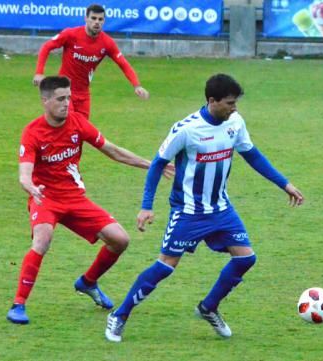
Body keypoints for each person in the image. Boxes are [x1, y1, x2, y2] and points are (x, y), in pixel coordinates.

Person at [105, 74, 304, 342]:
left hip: (221, 208)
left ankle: (209, 307)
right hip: (189, 212)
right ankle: (119, 315)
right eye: (230, 103)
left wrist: (285, 184)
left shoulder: (235, 122)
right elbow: (157, 164)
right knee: (165, 266)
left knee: (246, 258)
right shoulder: (186, 129)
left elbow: (252, 155)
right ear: (212, 101)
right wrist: (146, 206)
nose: (235, 108)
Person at [7, 76, 173, 324]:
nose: (67, 103)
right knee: (42, 239)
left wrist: (152, 166)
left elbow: (113, 151)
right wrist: (29, 185)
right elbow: (24, 174)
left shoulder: (77, 122)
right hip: (45, 198)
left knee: (120, 240)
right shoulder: (32, 132)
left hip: (75, 198)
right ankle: (18, 305)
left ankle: (88, 282)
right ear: (45, 101)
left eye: (69, 97)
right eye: (61, 99)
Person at [33, 3, 149, 119]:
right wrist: (39, 72)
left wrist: (137, 85)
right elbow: (46, 47)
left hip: (83, 94)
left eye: (100, 19)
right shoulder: (71, 34)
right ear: (86, 18)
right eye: (93, 18)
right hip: (65, 90)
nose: (97, 22)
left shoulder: (107, 43)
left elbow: (123, 64)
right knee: (70, 125)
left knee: (81, 130)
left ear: (104, 21)